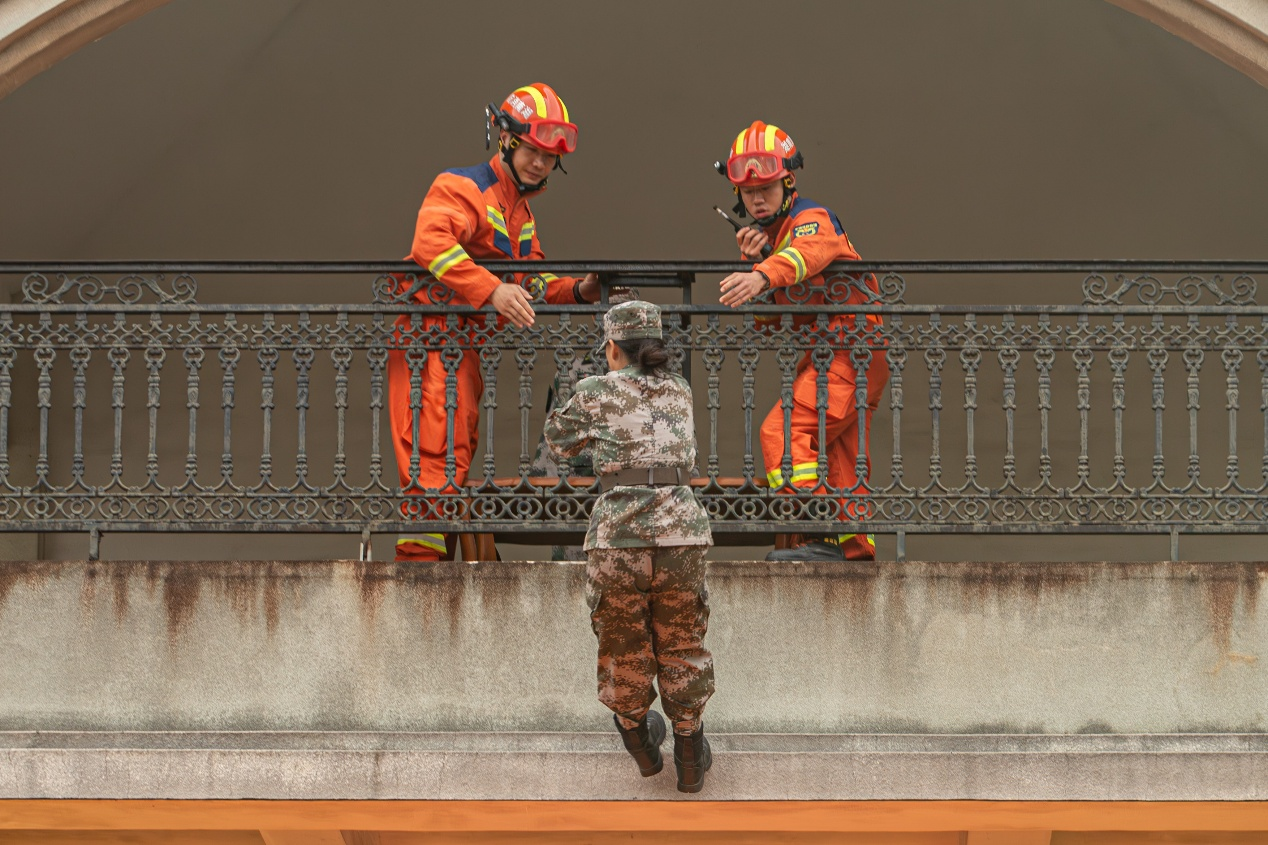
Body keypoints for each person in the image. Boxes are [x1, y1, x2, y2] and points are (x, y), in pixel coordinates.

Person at [390, 82, 601, 561]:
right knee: (432, 442)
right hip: (428, 336)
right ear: (505, 139)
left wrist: (577, 289)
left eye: (550, 157)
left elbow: (529, 279)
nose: (541, 163)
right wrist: (492, 289)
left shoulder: (520, 214)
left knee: (454, 444)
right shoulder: (463, 186)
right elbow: (431, 244)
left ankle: (436, 553)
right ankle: (420, 563)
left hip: (459, 344)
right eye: (532, 150)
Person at [543, 300, 716, 793]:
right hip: (682, 532)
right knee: (683, 640)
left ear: (613, 346)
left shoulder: (595, 390)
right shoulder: (679, 389)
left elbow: (559, 441)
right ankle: (688, 751)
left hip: (619, 534)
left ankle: (639, 742)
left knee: (621, 641)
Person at [716, 120, 889, 562]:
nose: (757, 198)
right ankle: (854, 552)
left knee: (783, 432)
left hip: (850, 350)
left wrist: (761, 274)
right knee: (839, 458)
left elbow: (808, 255)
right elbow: (773, 323)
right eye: (748, 190)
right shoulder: (776, 245)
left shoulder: (811, 219)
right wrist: (758, 263)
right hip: (841, 354)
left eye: (767, 188)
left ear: (788, 182)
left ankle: (821, 534)